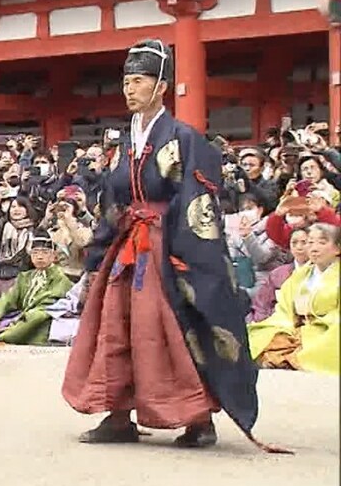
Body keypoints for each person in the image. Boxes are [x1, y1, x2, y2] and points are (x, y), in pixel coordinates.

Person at [62, 39, 283, 452]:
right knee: (116, 326)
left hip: (169, 243)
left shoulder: (185, 137)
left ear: (161, 86)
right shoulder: (125, 142)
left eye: (139, 80)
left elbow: (198, 202)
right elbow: (114, 198)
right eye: (126, 81)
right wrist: (98, 252)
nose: (129, 89)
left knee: (169, 328)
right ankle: (117, 413)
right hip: (129, 243)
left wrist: (183, 254)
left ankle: (197, 418)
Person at [248, 223, 339, 375]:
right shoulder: (300, 275)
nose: (314, 248)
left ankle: (291, 357)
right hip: (296, 327)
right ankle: (287, 357)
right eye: (310, 242)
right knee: (259, 335)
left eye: (322, 243)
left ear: (337, 248)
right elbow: (284, 308)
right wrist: (289, 327)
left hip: (326, 330)